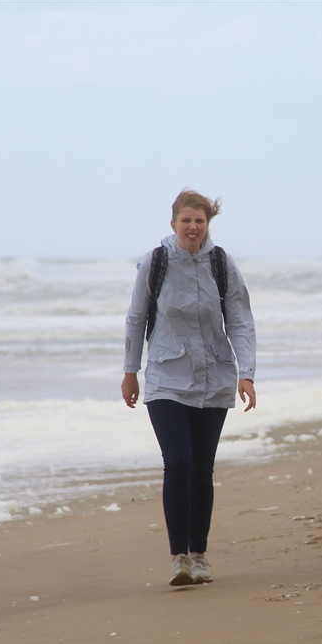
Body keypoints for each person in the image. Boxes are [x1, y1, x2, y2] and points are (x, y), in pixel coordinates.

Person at [122, 189, 256, 587]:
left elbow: (241, 319)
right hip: (166, 377)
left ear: (207, 224)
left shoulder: (221, 262)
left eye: (200, 221)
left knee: (201, 470)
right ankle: (178, 556)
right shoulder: (156, 261)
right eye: (186, 220)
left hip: (214, 376)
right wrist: (130, 371)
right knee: (178, 463)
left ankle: (199, 554)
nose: (193, 227)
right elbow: (135, 317)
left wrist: (246, 373)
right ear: (173, 223)